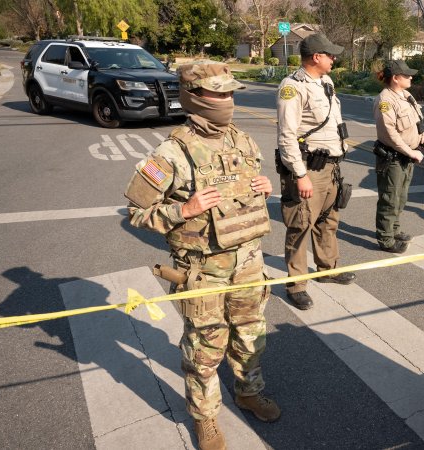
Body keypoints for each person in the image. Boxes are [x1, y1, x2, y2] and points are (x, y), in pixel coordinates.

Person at [124, 61, 278, 450]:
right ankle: (205, 418)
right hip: (202, 271)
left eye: (230, 93)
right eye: (219, 93)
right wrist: (184, 210)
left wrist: (263, 187)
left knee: (250, 335)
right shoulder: (170, 152)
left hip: (248, 262)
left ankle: (248, 392)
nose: (227, 101)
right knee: (205, 348)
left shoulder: (243, 141)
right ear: (194, 97)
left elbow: (247, 191)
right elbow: (137, 214)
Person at [275, 33, 356, 310]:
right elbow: (286, 136)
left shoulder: (326, 82)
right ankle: (296, 284)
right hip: (309, 168)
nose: (334, 59)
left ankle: (327, 269)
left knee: (327, 222)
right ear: (316, 57)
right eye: (330, 54)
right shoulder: (292, 87)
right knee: (300, 225)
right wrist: (299, 175)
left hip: (331, 167)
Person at [372, 60, 424, 253]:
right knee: (390, 198)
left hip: (407, 156)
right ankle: (386, 239)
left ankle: (394, 229)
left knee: (401, 197)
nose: (411, 77)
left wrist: (423, 136)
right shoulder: (385, 101)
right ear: (395, 78)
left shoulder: (406, 95)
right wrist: (411, 151)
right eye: (406, 75)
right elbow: (389, 134)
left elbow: (416, 120)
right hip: (394, 156)